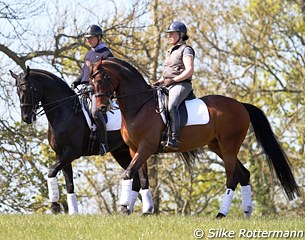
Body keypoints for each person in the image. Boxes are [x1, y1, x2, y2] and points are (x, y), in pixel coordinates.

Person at [71, 24, 113, 155]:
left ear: (99, 38)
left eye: (91, 38)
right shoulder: (88, 54)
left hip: (96, 90)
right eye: (87, 38)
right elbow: (85, 73)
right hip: (84, 88)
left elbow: (108, 77)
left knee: (95, 112)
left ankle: (104, 144)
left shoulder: (106, 54)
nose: (89, 40)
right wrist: (77, 81)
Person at [154, 21, 195, 150]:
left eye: (172, 34)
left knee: (172, 105)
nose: (169, 36)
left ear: (181, 34)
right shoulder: (170, 51)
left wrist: (174, 80)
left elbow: (189, 70)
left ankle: (174, 137)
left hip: (182, 84)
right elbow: (167, 72)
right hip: (168, 84)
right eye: (168, 34)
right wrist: (160, 81)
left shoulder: (186, 49)